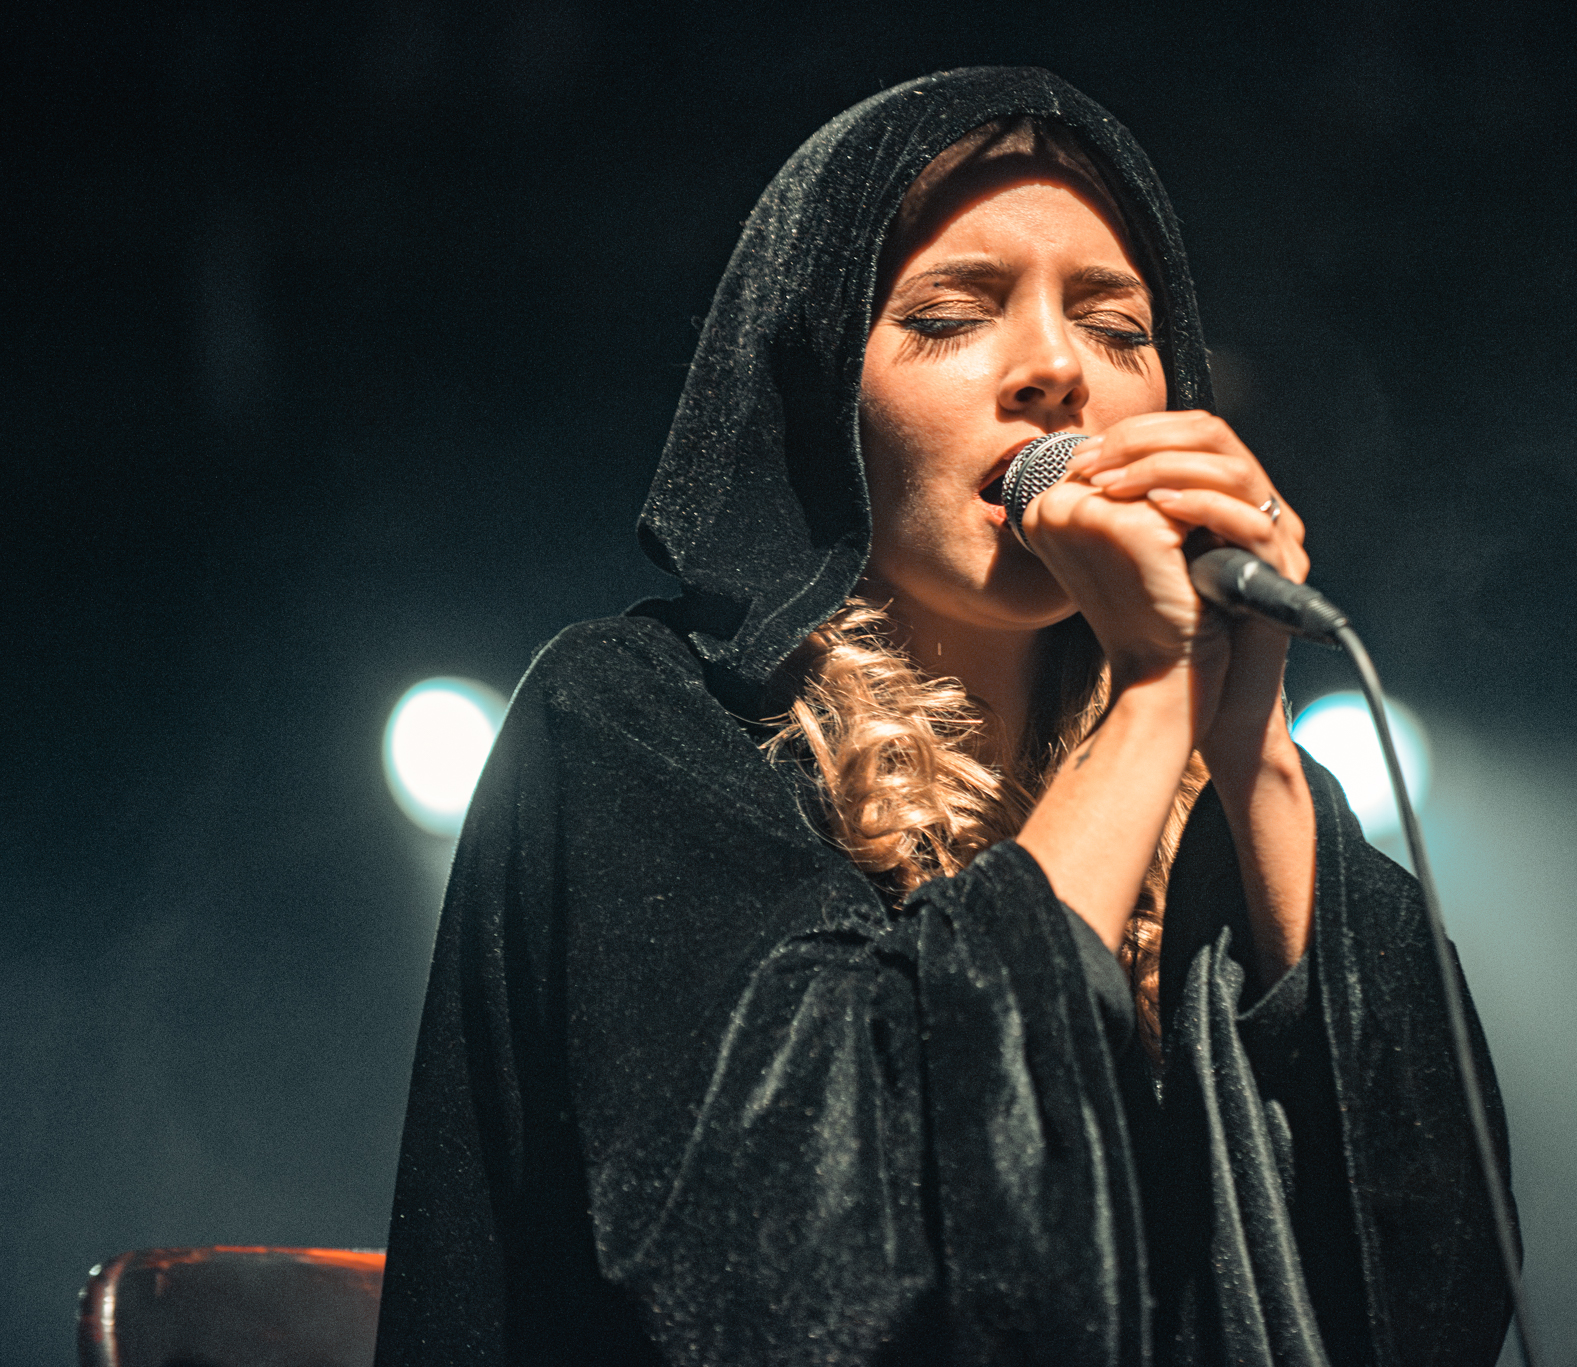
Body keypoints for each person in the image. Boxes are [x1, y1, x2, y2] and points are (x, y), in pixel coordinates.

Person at [372, 66, 1516, 1367]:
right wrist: (1155, 701)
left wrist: (1249, 745)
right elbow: (803, 1284)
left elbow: (1440, 1292)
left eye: (1116, 328)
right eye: (951, 316)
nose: (1055, 371)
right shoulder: (638, 719)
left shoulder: (1222, 802)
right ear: (820, 403)